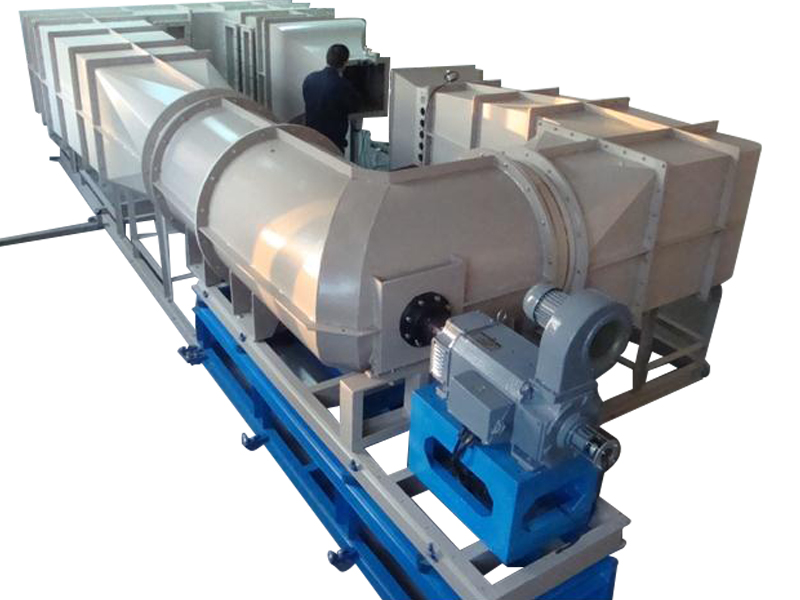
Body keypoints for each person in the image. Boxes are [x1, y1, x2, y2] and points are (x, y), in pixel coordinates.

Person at [302, 44, 361, 154]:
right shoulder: (344, 86)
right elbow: (355, 106)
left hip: (311, 138)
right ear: (345, 63)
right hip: (333, 144)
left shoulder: (309, 79)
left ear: (327, 58)